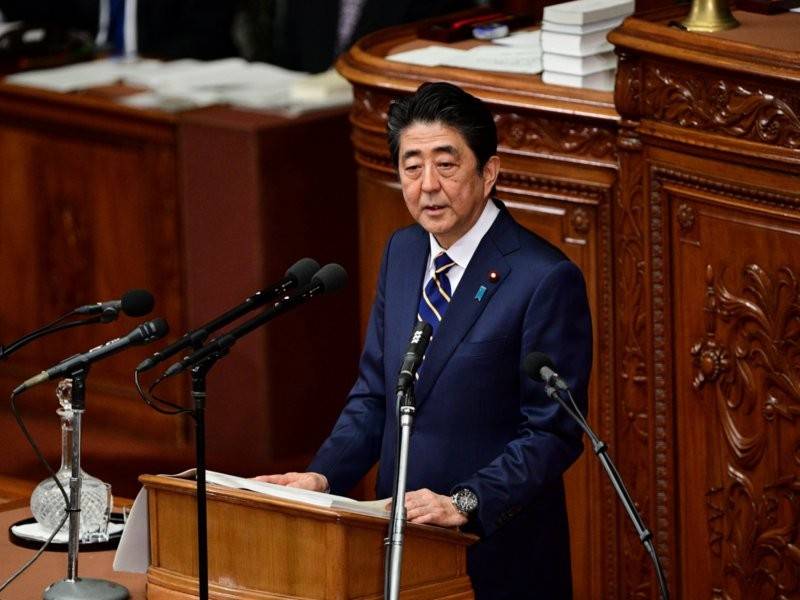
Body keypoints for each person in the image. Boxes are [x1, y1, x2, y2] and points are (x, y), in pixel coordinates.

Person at [257, 82, 593, 599]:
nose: (428, 185)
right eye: (412, 167)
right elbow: (376, 393)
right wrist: (323, 478)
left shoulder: (543, 278)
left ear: (489, 172)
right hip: (399, 545)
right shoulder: (405, 251)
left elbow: (553, 432)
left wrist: (465, 501)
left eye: (446, 164)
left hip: (495, 555)